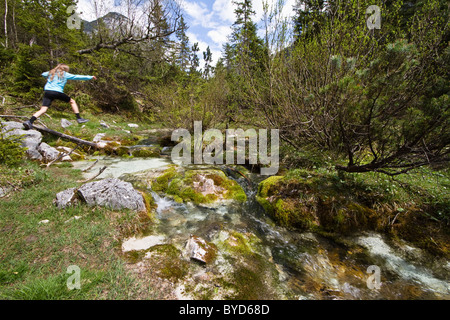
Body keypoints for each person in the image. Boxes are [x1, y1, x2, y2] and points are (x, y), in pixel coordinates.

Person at [23, 64, 97, 130]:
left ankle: (30, 121)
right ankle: (79, 118)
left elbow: (43, 74)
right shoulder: (65, 74)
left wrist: (50, 73)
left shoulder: (51, 72)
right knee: (72, 101)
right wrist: (90, 77)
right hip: (57, 92)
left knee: (43, 109)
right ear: (65, 69)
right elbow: (77, 76)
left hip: (48, 92)